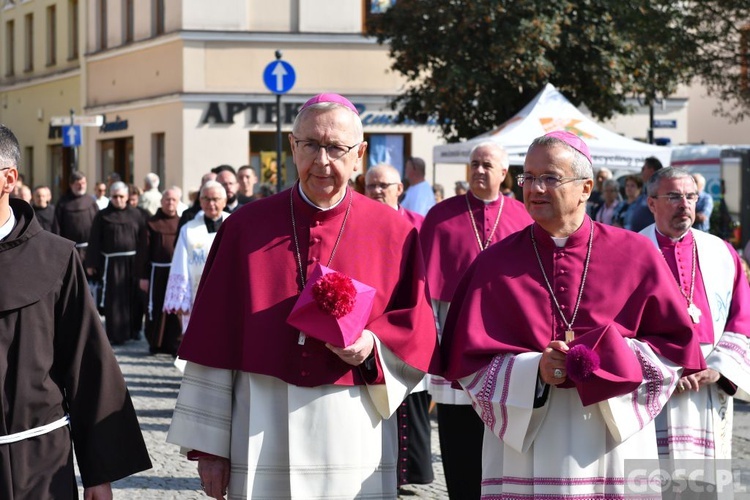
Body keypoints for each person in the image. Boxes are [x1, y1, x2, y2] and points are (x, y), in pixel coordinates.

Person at [167, 93, 440, 499]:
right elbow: (213, 339)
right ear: (293, 147)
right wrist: (210, 447)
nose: (322, 160)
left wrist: (372, 345)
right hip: (261, 415)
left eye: (336, 148)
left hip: (352, 415)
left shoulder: (394, 232)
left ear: (359, 154)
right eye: (311, 144)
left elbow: (415, 327)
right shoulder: (244, 228)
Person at [441, 131, 705, 498]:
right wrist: (534, 371)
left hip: (611, 433)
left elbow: (674, 347)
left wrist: (613, 360)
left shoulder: (637, 255)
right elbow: (468, 363)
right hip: (527, 440)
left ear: (586, 187)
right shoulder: (493, 264)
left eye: (550, 177)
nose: (534, 189)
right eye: (528, 178)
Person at [0, 124, 152, 498]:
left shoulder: (54, 257)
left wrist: (98, 472)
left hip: (36, 462)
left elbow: (86, 361)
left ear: (8, 178)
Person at [420, 140, 532, 499]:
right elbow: (427, 287)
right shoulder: (441, 216)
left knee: (504, 435)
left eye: (487, 165)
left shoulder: (523, 215)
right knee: (458, 436)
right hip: (455, 338)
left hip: (506, 343)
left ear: (504, 173)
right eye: (474, 164)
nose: (479, 171)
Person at [640, 167, 750, 489]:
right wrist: (659, 370)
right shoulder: (631, 250)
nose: (684, 204)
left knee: (704, 487)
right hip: (654, 385)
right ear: (651, 203)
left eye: (690, 196)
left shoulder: (720, 251)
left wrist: (718, 369)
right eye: (673, 196)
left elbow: (741, 318)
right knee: (650, 481)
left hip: (708, 385)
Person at [364, 163, 431, 489]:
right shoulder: (357, 222)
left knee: (409, 400)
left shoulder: (418, 224)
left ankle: (407, 473)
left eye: (383, 185)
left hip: (406, 319)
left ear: (399, 188)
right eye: (371, 185)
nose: (377, 191)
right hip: (366, 322)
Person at [164, 180, 228, 336]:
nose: (211, 203)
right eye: (206, 199)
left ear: (224, 201)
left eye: (215, 199)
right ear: (200, 201)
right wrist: (180, 299)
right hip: (199, 294)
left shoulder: (234, 223)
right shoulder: (189, 229)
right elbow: (180, 263)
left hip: (228, 292)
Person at [85, 182, 147, 345]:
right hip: (111, 263)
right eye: (115, 196)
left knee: (133, 299)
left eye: (121, 196)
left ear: (127, 197)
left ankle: (134, 330)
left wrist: (143, 263)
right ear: (110, 197)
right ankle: (115, 334)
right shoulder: (102, 215)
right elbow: (95, 239)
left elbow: (143, 241)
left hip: (133, 262)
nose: (118, 199)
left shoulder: (138, 215)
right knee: (115, 300)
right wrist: (91, 263)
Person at [136, 187, 183, 355]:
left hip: (176, 273)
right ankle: (155, 343)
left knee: (174, 309)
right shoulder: (151, 223)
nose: (170, 203)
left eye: (174, 200)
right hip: (156, 273)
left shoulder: (182, 223)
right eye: (167, 200)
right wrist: (143, 276)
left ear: (178, 202)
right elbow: (143, 251)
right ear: (161, 202)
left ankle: (174, 344)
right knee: (155, 308)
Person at [52, 171, 100, 261]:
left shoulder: (91, 201)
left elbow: (98, 224)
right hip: (70, 250)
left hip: (89, 249)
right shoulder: (63, 202)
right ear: (71, 184)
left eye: (83, 183)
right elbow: (56, 227)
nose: (81, 186)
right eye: (78, 184)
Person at [629, 156, 663, 232]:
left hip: (651, 238)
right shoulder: (646, 190)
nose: (641, 172)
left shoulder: (660, 191)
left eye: (643, 169)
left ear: (651, 170)